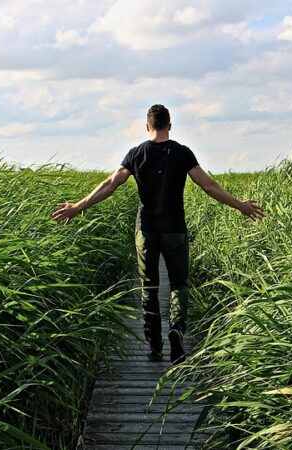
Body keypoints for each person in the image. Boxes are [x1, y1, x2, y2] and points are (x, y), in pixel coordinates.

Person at [52, 104, 264, 364]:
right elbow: (208, 185)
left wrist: (77, 207)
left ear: (147, 126)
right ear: (170, 126)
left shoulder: (137, 153)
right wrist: (240, 206)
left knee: (149, 287)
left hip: (146, 230)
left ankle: (154, 345)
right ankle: (177, 329)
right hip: (175, 229)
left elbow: (110, 184)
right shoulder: (182, 153)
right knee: (178, 284)